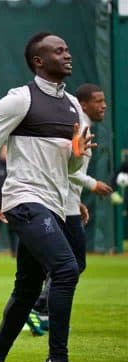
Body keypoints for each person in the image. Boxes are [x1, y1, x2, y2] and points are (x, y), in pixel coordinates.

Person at [0, 32, 95, 362]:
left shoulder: (73, 105)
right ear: (39, 61)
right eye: (59, 50)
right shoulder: (18, 100)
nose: (68, 54)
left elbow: (70, 167)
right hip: (23, 201)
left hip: (55, 206)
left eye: (68, 48)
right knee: (67, 268)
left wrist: (74, 154)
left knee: (26, 289)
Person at [29, 84, 112, 333]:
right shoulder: (80, 126)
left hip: (67, 203)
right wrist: (92, 184)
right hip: (60, 205)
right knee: (73, 263)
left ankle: (42, 310)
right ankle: (40, 308)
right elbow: (66, 169)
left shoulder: (81, 124)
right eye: (98, 101)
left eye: (104, 100)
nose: (104, 105)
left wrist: (76, 199)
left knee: (66, 263)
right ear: (84, 104)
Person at [0, 144, 18, 258]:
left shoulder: (13, 166)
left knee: (13, 230)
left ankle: (14, 252)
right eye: (4, 151)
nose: (6, 154)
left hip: (11, 204)